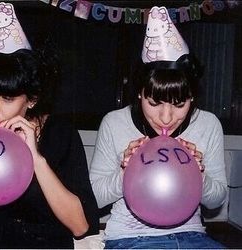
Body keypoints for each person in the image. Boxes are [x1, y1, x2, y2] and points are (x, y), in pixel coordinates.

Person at [0, 2, 99, 248]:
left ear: (32, 100)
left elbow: (80, 226)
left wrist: (36, 158)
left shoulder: (60, 134)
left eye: (7, 98)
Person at [89, 6, 227, 249]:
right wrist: (125, 172)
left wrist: (199, 174)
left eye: (179, 104)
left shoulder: (208, 124)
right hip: (129, 238)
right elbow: (94, 197)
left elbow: (216, 200)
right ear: (140, 94)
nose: (166, 117)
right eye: (154, 103)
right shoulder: (114, 122)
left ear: (193, 97)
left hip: (193, 236)